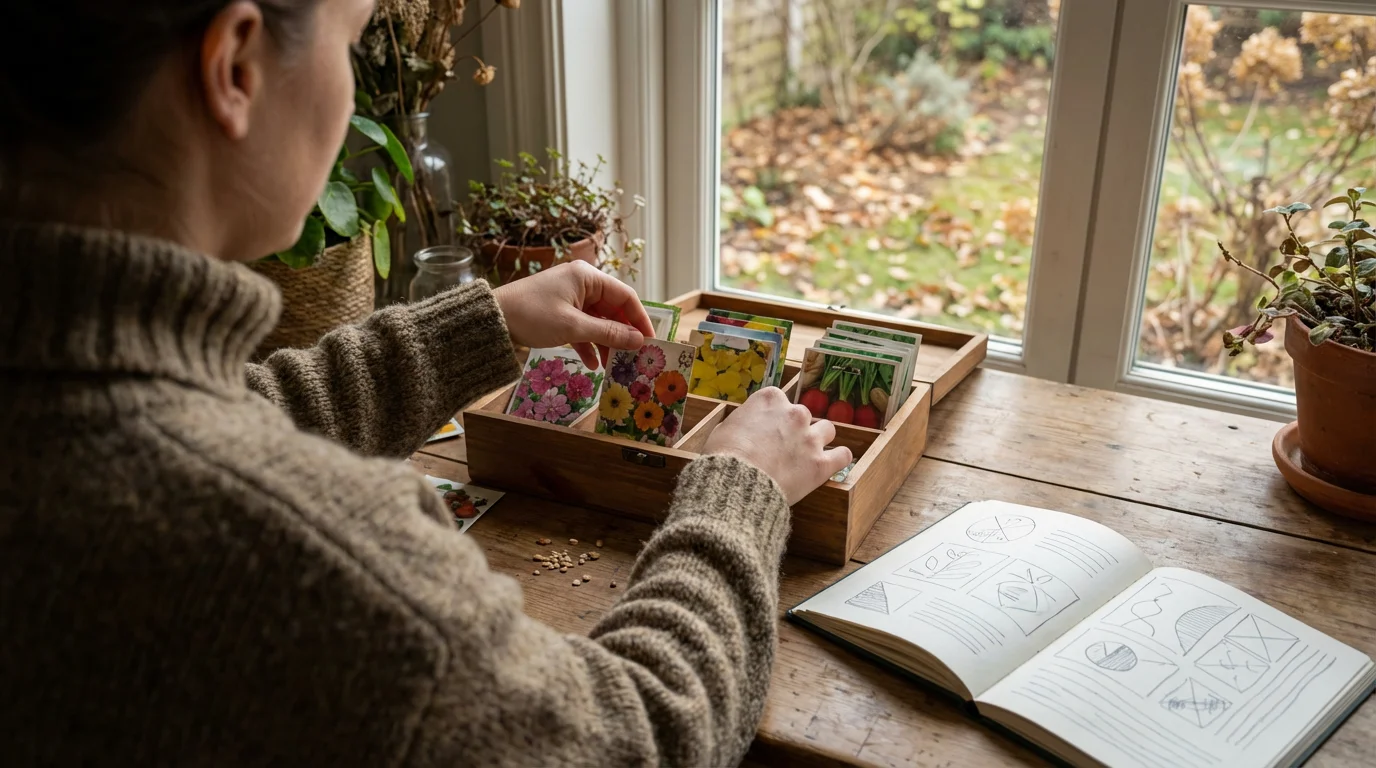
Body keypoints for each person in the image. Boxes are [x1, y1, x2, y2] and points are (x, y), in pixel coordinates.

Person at [0, 0, 854, 764]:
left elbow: (215, 420)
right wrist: (740, 494)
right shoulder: (317, 563)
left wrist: (477, 326)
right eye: (351, 40)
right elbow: (646, 733)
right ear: (236, 67)